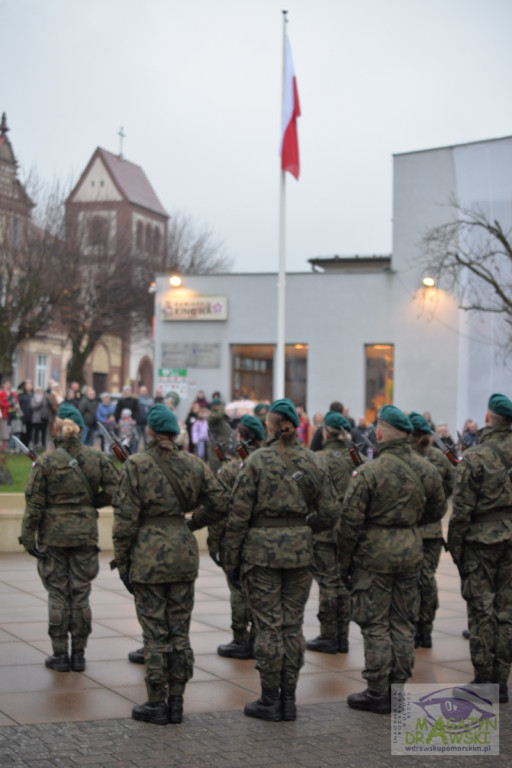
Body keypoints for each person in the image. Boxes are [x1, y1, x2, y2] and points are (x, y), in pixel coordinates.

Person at [219, 398, 340, 722]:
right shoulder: (313, 462)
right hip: (300, 553)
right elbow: (330, 512)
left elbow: (238, 516)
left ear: (269, 425)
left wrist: (230, 560)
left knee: (269, 627)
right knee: (293, 627)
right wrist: (300, 527)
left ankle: (270, 699)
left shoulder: (256, 462)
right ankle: (289, 699)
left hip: (262, 555)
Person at [112, 403, 229, 725]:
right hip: (181, 553)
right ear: (175, 433)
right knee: (179, 631)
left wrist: (122, 563)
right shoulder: (193, 463)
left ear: (149, 431)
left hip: (148, 556)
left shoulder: (136, 465)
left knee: (154, 633)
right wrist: (191, 523)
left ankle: (156, 702)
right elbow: (221, 502)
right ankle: (176, 701)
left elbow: (124, 522)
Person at [339, 405, 446, 714]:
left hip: (375, 555)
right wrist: (407, 524)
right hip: (411, 550)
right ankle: (397, 687)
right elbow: (437, 510)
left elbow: (349, 522)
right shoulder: (426, 469)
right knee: (402, 621)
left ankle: (377, 691)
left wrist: (344, 561)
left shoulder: (370, 472)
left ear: (382, 433)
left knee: (375, 622)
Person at [19, 402, 120, 672]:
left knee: (57, 595)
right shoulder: (97, 457)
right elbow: (115, 489)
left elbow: (35, 504)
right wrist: (91, 503)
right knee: (80, 594)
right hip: (85, 534)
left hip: (53, 536)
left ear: (58, 428)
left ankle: (60, 654)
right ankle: (79, 655)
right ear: (80, 428)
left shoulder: (47, 461)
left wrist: (28, 538)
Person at [447, 393, 512, 704]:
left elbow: (461, 510)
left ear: (488, 418)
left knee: (481, 612)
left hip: (481, 543)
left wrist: (455, 548)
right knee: (506, 612)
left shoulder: (476, 457)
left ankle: (485, 681)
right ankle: (501, 682)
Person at [208, 414, 265, 660]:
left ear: (241, 436)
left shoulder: (232, 469)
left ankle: (241, 639)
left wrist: (214, 542)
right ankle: (259, 637)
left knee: (238, 588)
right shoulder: (271, 463)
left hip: (238, 539)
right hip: (267, 539)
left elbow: (218, 507)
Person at [306, 411, 354, 654]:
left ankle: (328, 635)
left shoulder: (316, 459)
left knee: (327, 582)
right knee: (343, 582)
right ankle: (343, 637)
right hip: (349, 530)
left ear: (325, 432)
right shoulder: (357, 459)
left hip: (324, 529)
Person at [408, 411, 455, 648]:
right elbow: (450, 487)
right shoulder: (440, 457)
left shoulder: (406, 458)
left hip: (411, 529)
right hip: (433, 530)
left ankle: (413, 627)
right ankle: (425, 630)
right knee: (427, 580)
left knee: (410, 581)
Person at [207, 397, 236, 473]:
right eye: (219, 405)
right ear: (214, 406)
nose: (221, 408)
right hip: (216, 443)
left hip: (223, 443)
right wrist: (222, 406)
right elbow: (218, 416)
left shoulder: (221, 417)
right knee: (216, 464)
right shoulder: (212, 416)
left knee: (223, 463)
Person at [31, 386, 50, 450]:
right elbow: (33, 406)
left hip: (44, 418)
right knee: (36, 432)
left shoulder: (44, 397)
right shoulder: (34, 398)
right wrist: (41, 402)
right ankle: (35, 444)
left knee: (44, 432)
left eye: (40, 390)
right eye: (38, 391)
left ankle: (43, 445)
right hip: (36, 419)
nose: (39, 392)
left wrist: (47, 398)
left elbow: (49, 405)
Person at [136, 385, 154, 449]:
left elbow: (152, 411)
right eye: (142, 390)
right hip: (138, 423)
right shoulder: (137, 400)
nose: (144, 392)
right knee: (136, 440)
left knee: (147, 440)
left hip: (147, 423)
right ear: (140, 391)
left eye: (145, 390)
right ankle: (134, 454)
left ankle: (147, 453)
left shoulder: (150, 401)